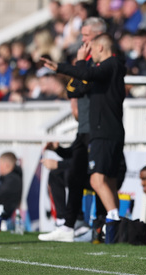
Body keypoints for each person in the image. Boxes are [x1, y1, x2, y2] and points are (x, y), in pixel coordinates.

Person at [41, 33, 127, 233]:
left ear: (100, 48)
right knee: (109, 181)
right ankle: (113, 224)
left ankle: (112, 221)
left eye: (91, 47)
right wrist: (70, 69)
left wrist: (70, 65)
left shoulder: (111, 65)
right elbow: (75, 90)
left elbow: (86, 75)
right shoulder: (103, 72)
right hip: (109, 132)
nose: (89, 53)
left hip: (103, 132)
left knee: (97, 180)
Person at [38, 17, 108, 242]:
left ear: (98, 36)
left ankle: (100, 224)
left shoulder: (103, 62)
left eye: (86, 35)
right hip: (85, 128)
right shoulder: (86, 62)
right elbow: (73, 89)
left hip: (98, 128)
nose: (82, 39)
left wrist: (78, 69)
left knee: (98, 177)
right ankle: (70, 225)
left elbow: (79, 85)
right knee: (76, 174)